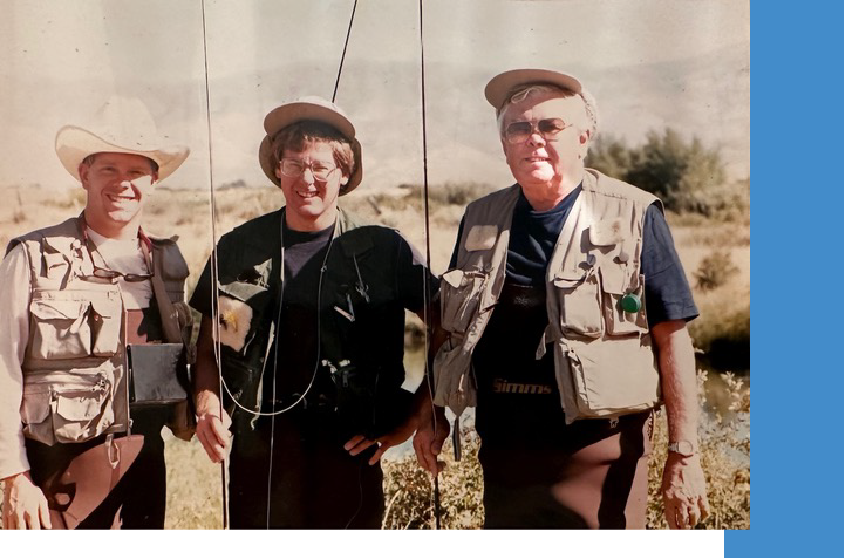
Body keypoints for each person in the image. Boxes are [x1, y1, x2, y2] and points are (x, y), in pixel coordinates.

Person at [414, 69, 710, 529]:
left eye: (550, 126)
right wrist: (432, 412)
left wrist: (683, 454)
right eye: (518, 128)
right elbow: (452, 329)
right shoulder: (479, 217)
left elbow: (673, 338)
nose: (533, 139)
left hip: (601, 456)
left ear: (582, 138)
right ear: (504, 144)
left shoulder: (634, 213)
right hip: (505, 451)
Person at [191, 96, 438, 529]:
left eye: (320, 167)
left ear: (343, 173)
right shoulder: (238, 249)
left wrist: (417, 416)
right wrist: (208, 405)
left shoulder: (383, 249)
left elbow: (449, 329)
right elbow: (209, 347)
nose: (307, 179)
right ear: (277, 171)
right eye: (293, 164)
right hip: (257, 453)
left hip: (351, 452)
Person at [0, 96, 193, 530]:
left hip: (143, 478)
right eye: (109, 169)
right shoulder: (32, 257)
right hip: (57, 481)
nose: (123, 183)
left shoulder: (165, 264)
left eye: (136, 171)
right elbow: (2, 369)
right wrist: (13, 476)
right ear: (84, 173)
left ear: (154, 179)